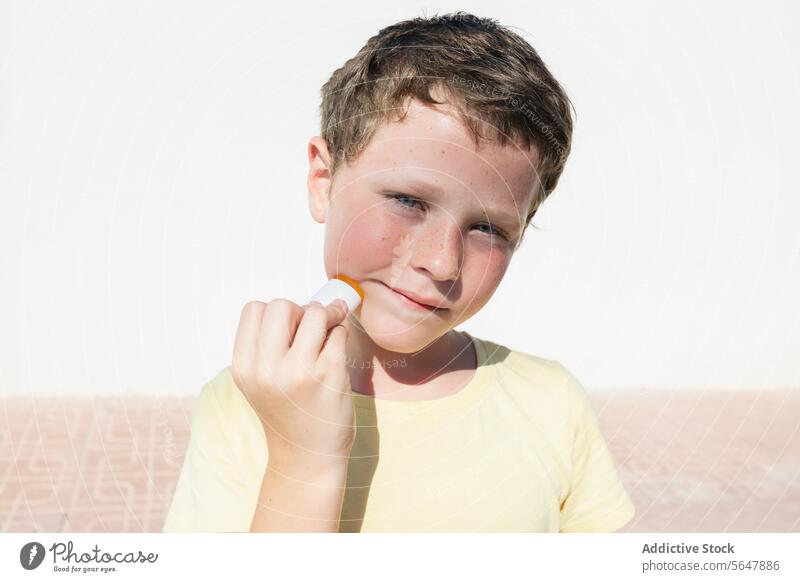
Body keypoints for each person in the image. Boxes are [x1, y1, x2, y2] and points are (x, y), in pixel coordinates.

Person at [162, 11, 635, 533]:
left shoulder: (553, 405)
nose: (441, 262)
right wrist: (305, 456)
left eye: (489, 229)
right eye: (408, 201)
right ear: (324, 179)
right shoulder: (248, 405)